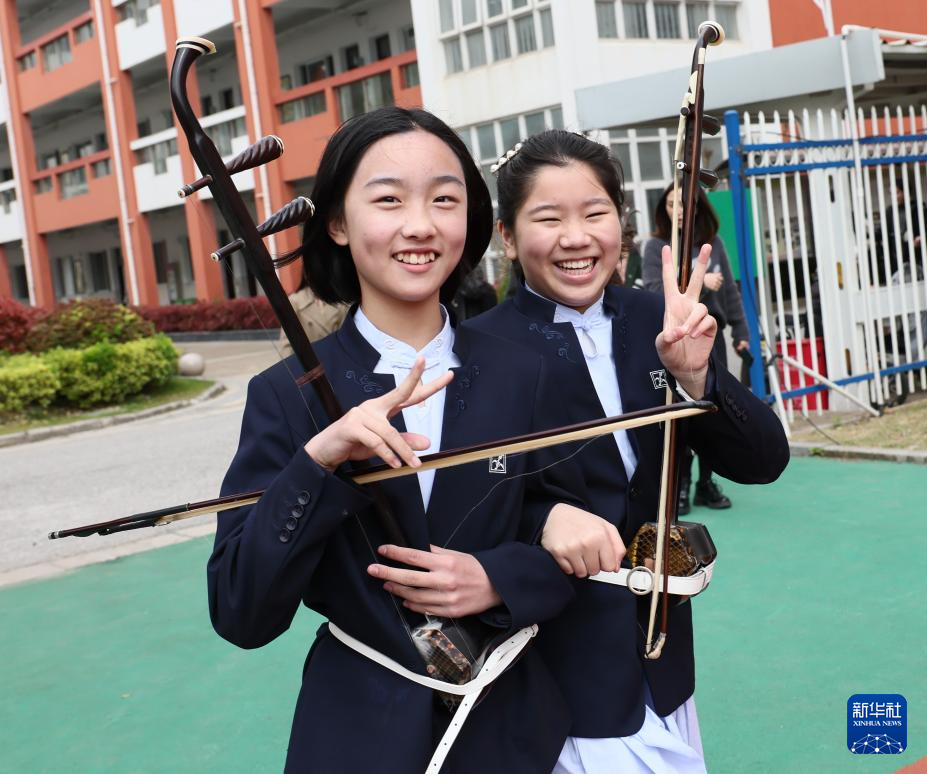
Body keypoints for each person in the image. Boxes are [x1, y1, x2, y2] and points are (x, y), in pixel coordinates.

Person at [209, 108, 578, 774]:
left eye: (444, 199)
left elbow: (576, 542)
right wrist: (318, 461)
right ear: (337, 223)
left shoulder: (525, 371)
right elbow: (240, 610)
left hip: (507, 726)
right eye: (388, 200)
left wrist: (497, 578)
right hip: (357, 733)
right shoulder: (285, 396)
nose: (420, 225)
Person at [465, 130, 789, 773]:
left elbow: (763, 460)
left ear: (621, 221)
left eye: (595, 213)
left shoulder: (661, 319)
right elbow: (463, 509)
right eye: (548, 219)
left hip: (662, 654)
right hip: (549, 667)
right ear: (507, 236)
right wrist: (541, 521)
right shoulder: (474, 351)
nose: (576, 238)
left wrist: (697, 378)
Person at [642, 184, 751, 512]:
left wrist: (740, 331)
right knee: (681, 413)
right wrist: (700, 283)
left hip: (710, 339)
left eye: (683, 203)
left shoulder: (712, 244)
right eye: (670, 204)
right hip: (675, 344)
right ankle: (682, 484)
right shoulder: (656, 247)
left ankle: (706, 482)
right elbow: (653, 291)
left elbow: (730, 292)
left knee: (713, 410)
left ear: (698, 206)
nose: (677, 211)